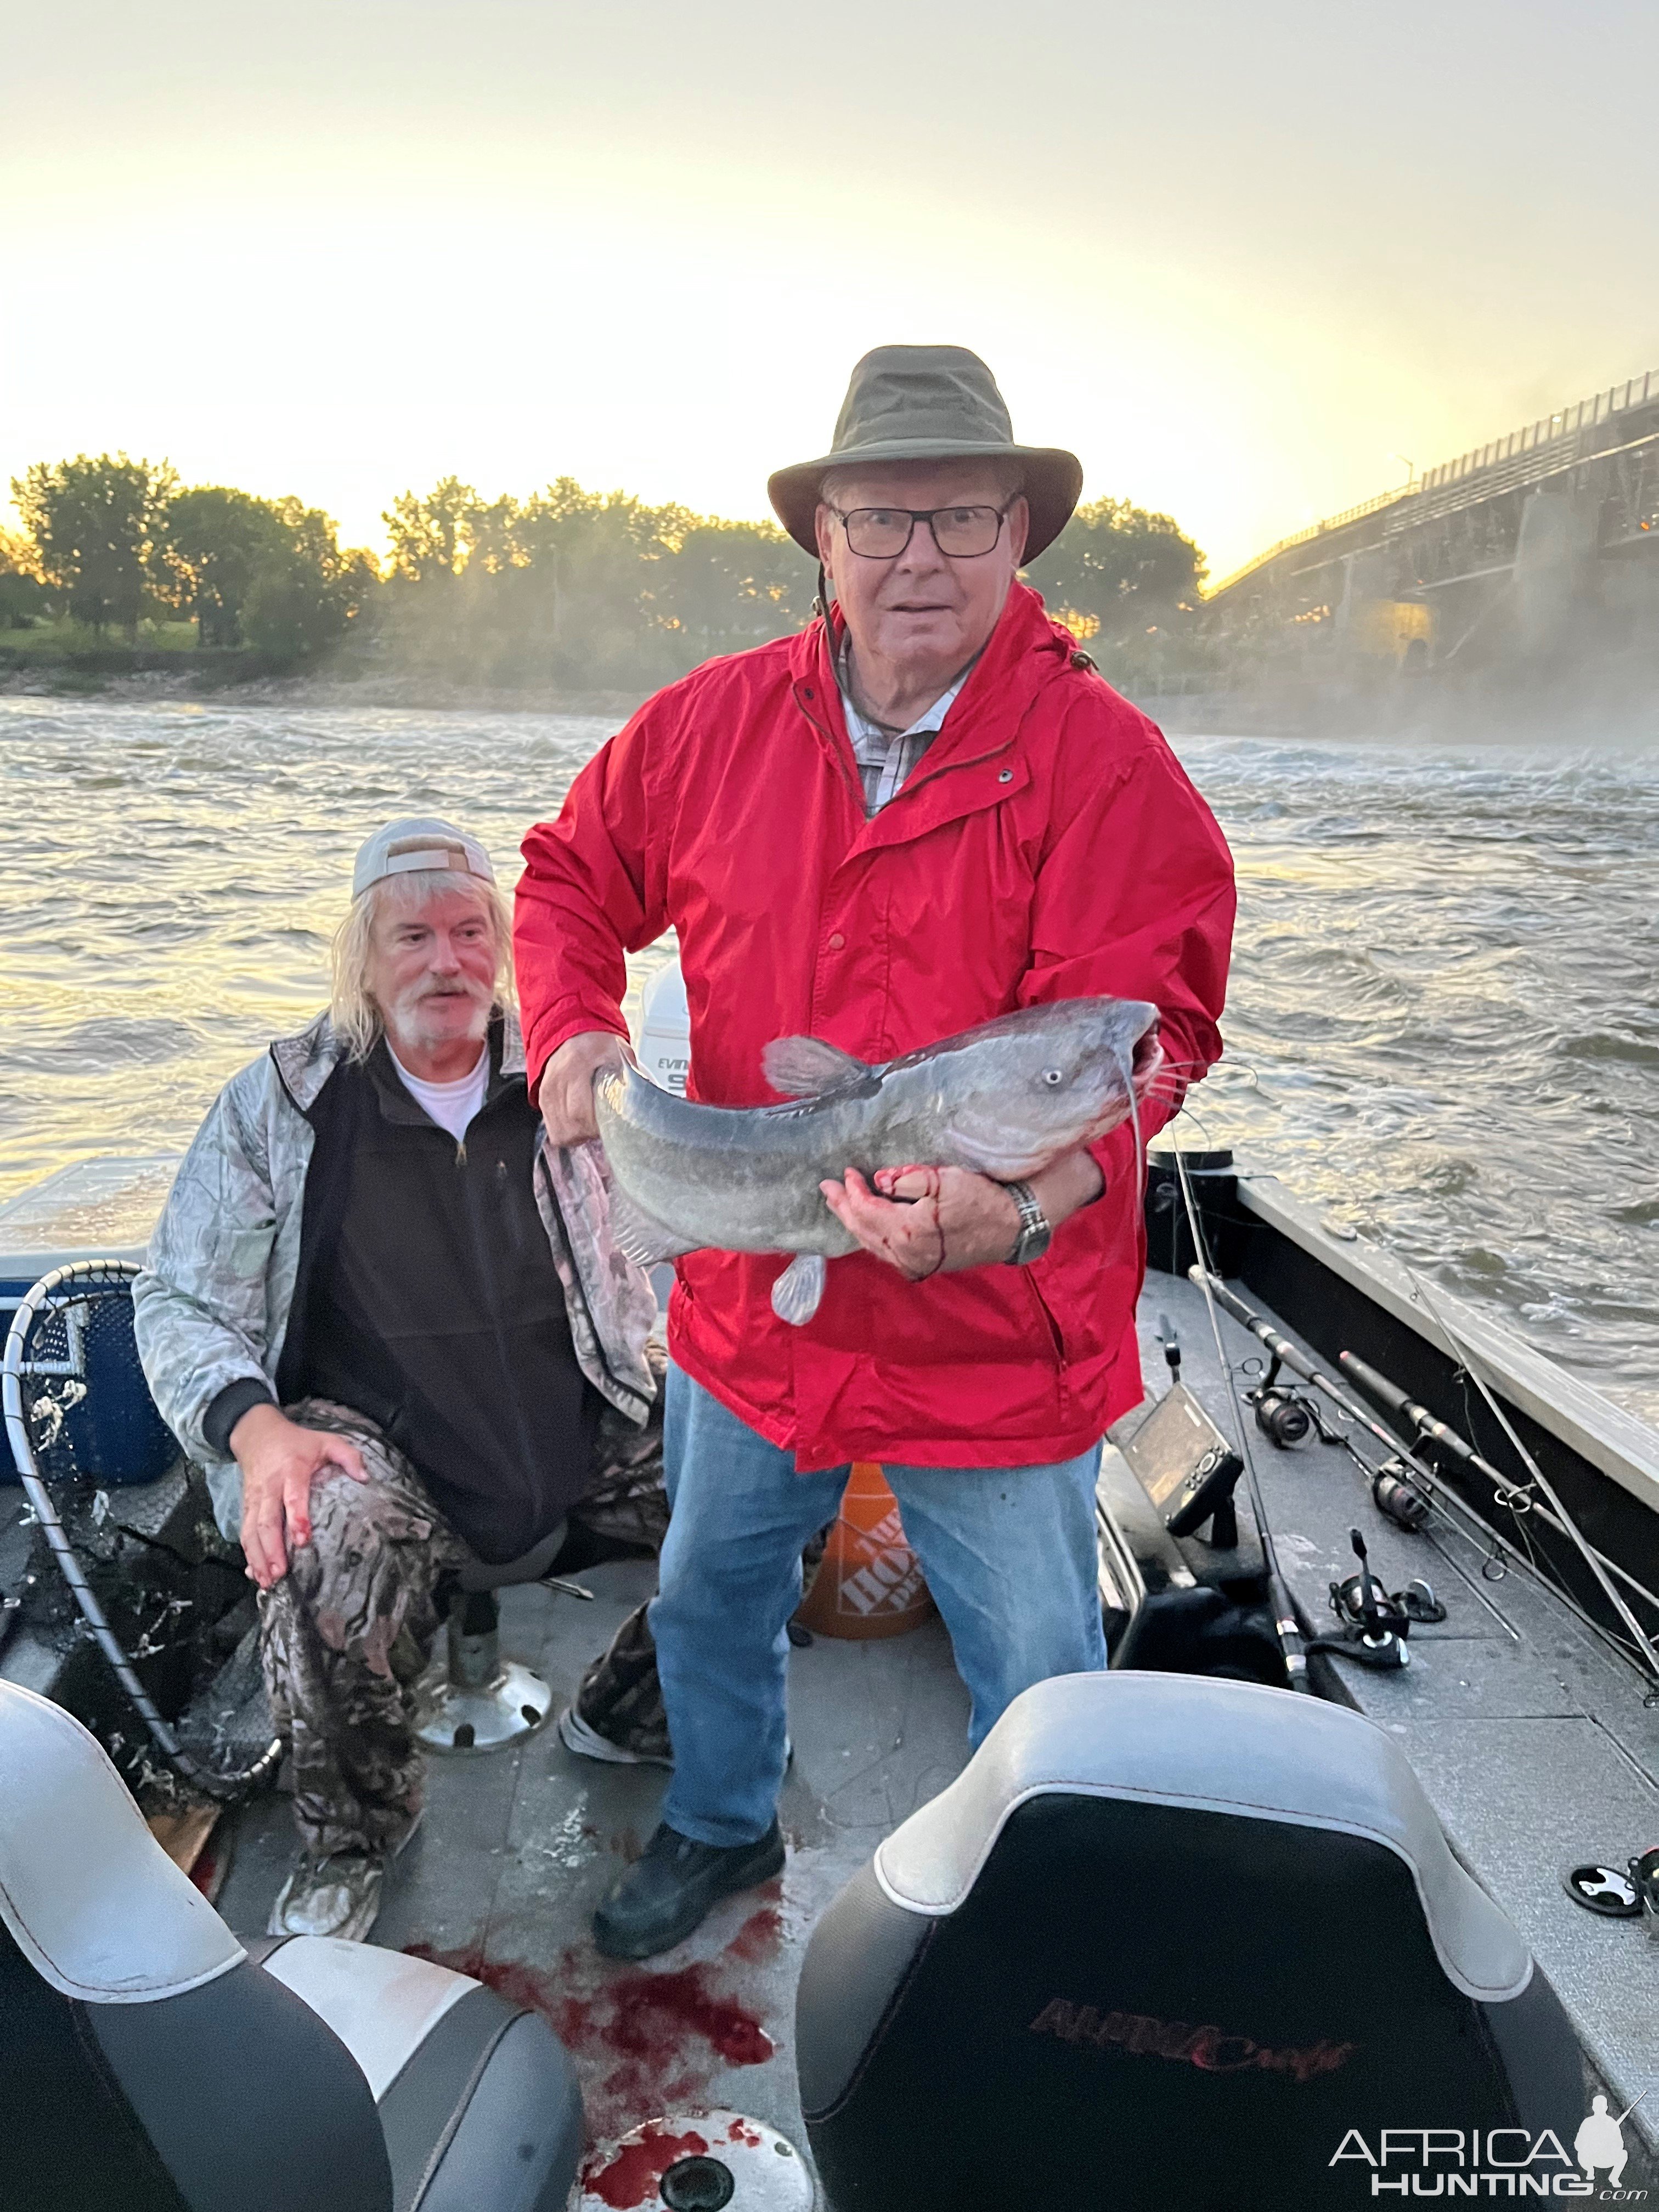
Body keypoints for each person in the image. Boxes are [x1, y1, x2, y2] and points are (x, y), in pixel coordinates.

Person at [517, 345, 1235, 1961]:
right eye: (884, 518)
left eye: (962, 517)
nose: (921, 555)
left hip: (996, 1331)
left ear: (1018, 537)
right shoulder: (706, 731)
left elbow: (1156, 1044)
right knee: (708, 1601)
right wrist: (571, 1032)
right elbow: (568, 875)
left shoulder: (1106, 764)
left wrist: (1032, 1202)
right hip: (755, 1303)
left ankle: (1044, 1905)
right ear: (823, 537)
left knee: (1042, 1665)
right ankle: (718, 1820)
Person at [134, 817, 657, 1941]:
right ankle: (355, 1836)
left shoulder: (577, 1086)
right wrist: (254, 1429)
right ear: (363, 962)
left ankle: (630, 1709)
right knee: (310, 1526)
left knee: (772, 1462)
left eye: (471, 932)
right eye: (411, 935)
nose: (446, 961)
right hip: (377, 1446)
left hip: (583, 1425)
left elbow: (686, 1251)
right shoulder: (280, 1104)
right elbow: (176, 1298)